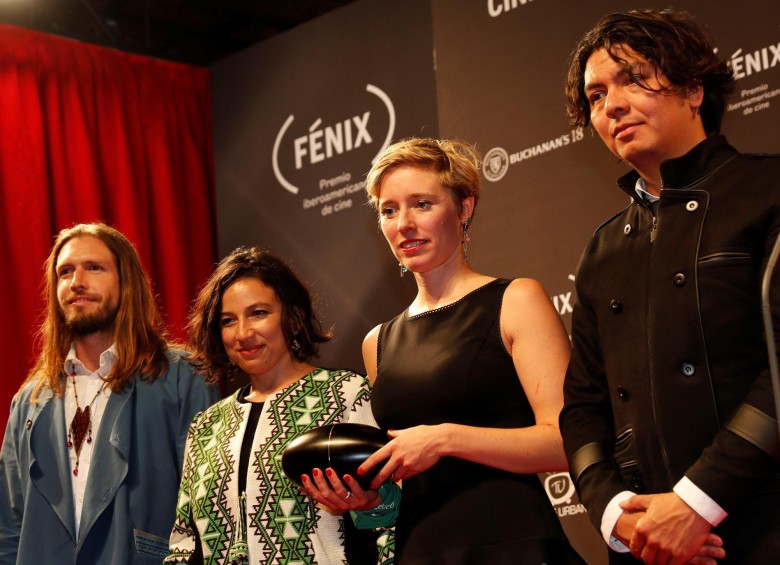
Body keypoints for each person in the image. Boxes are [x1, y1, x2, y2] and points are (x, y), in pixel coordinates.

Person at [560, 8, 780, 564]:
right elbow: (582, 408)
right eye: (595, 95)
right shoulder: (600, 250)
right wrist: (614, 514)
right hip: (643, 547)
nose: (611, 105)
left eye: (633, 77)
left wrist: (696, 502)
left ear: (692, 88)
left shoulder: (770, 191)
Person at [312, 137, 583, 563]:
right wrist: (369, 503)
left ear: (464, 208)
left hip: (514, 546)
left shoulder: (515, 300)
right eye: (389, 210)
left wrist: (445, 439)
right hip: (420, 552)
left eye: (421, 204)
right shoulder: (377, 342)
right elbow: (405, 486)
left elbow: (567, 442)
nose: (403, 223)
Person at [0, 222, 218, 564]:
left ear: (126, 281)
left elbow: (208, 511)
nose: (77, 282)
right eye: (65, 272)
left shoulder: (182, 376)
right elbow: (9, 525)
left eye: (94, 268)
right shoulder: (30, 399)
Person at [165, 246, 394, 564]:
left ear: (294, 318)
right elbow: (184, 543)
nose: (243, 333)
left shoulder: (345, 393)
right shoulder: (206, 425)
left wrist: (367, 504)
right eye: (228, 321)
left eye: (258, 313)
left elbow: (392, 515)